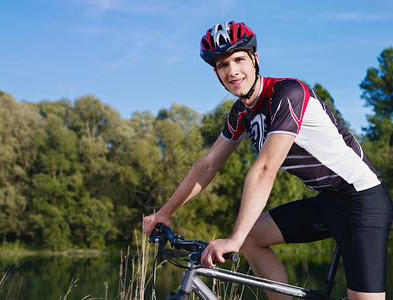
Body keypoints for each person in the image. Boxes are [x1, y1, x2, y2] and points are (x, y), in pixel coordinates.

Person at [143, 20, 393, 299]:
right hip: (327, 202)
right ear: (216, 72)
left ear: (255, 60)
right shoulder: (241, 113)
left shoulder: (288, 93)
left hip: (362, 200)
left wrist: (233, 239)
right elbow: (207, 165)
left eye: (239, 59)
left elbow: (265, 169)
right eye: (223, 65)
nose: (233, 71)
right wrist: (165, 212)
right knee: (253, 237)